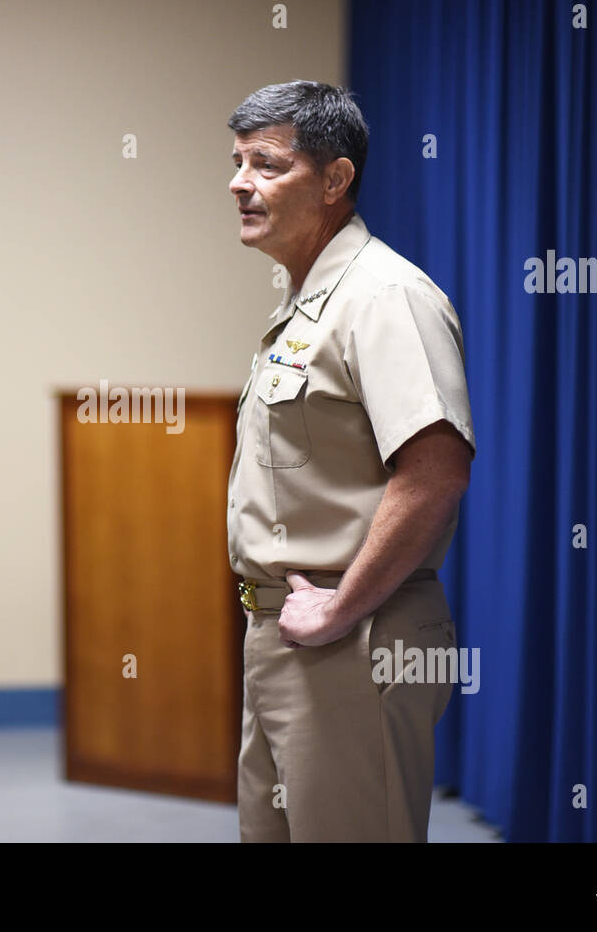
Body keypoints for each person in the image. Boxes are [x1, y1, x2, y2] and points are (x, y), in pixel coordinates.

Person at [226, 81, 476, 841]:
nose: (240, 182)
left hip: (355, 636)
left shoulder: (384, 295)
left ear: (335, 180)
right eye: (237, 162)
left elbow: (435, 471)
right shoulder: (308, 301)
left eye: (267, 164)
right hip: (287, 636)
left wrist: (339, 608)